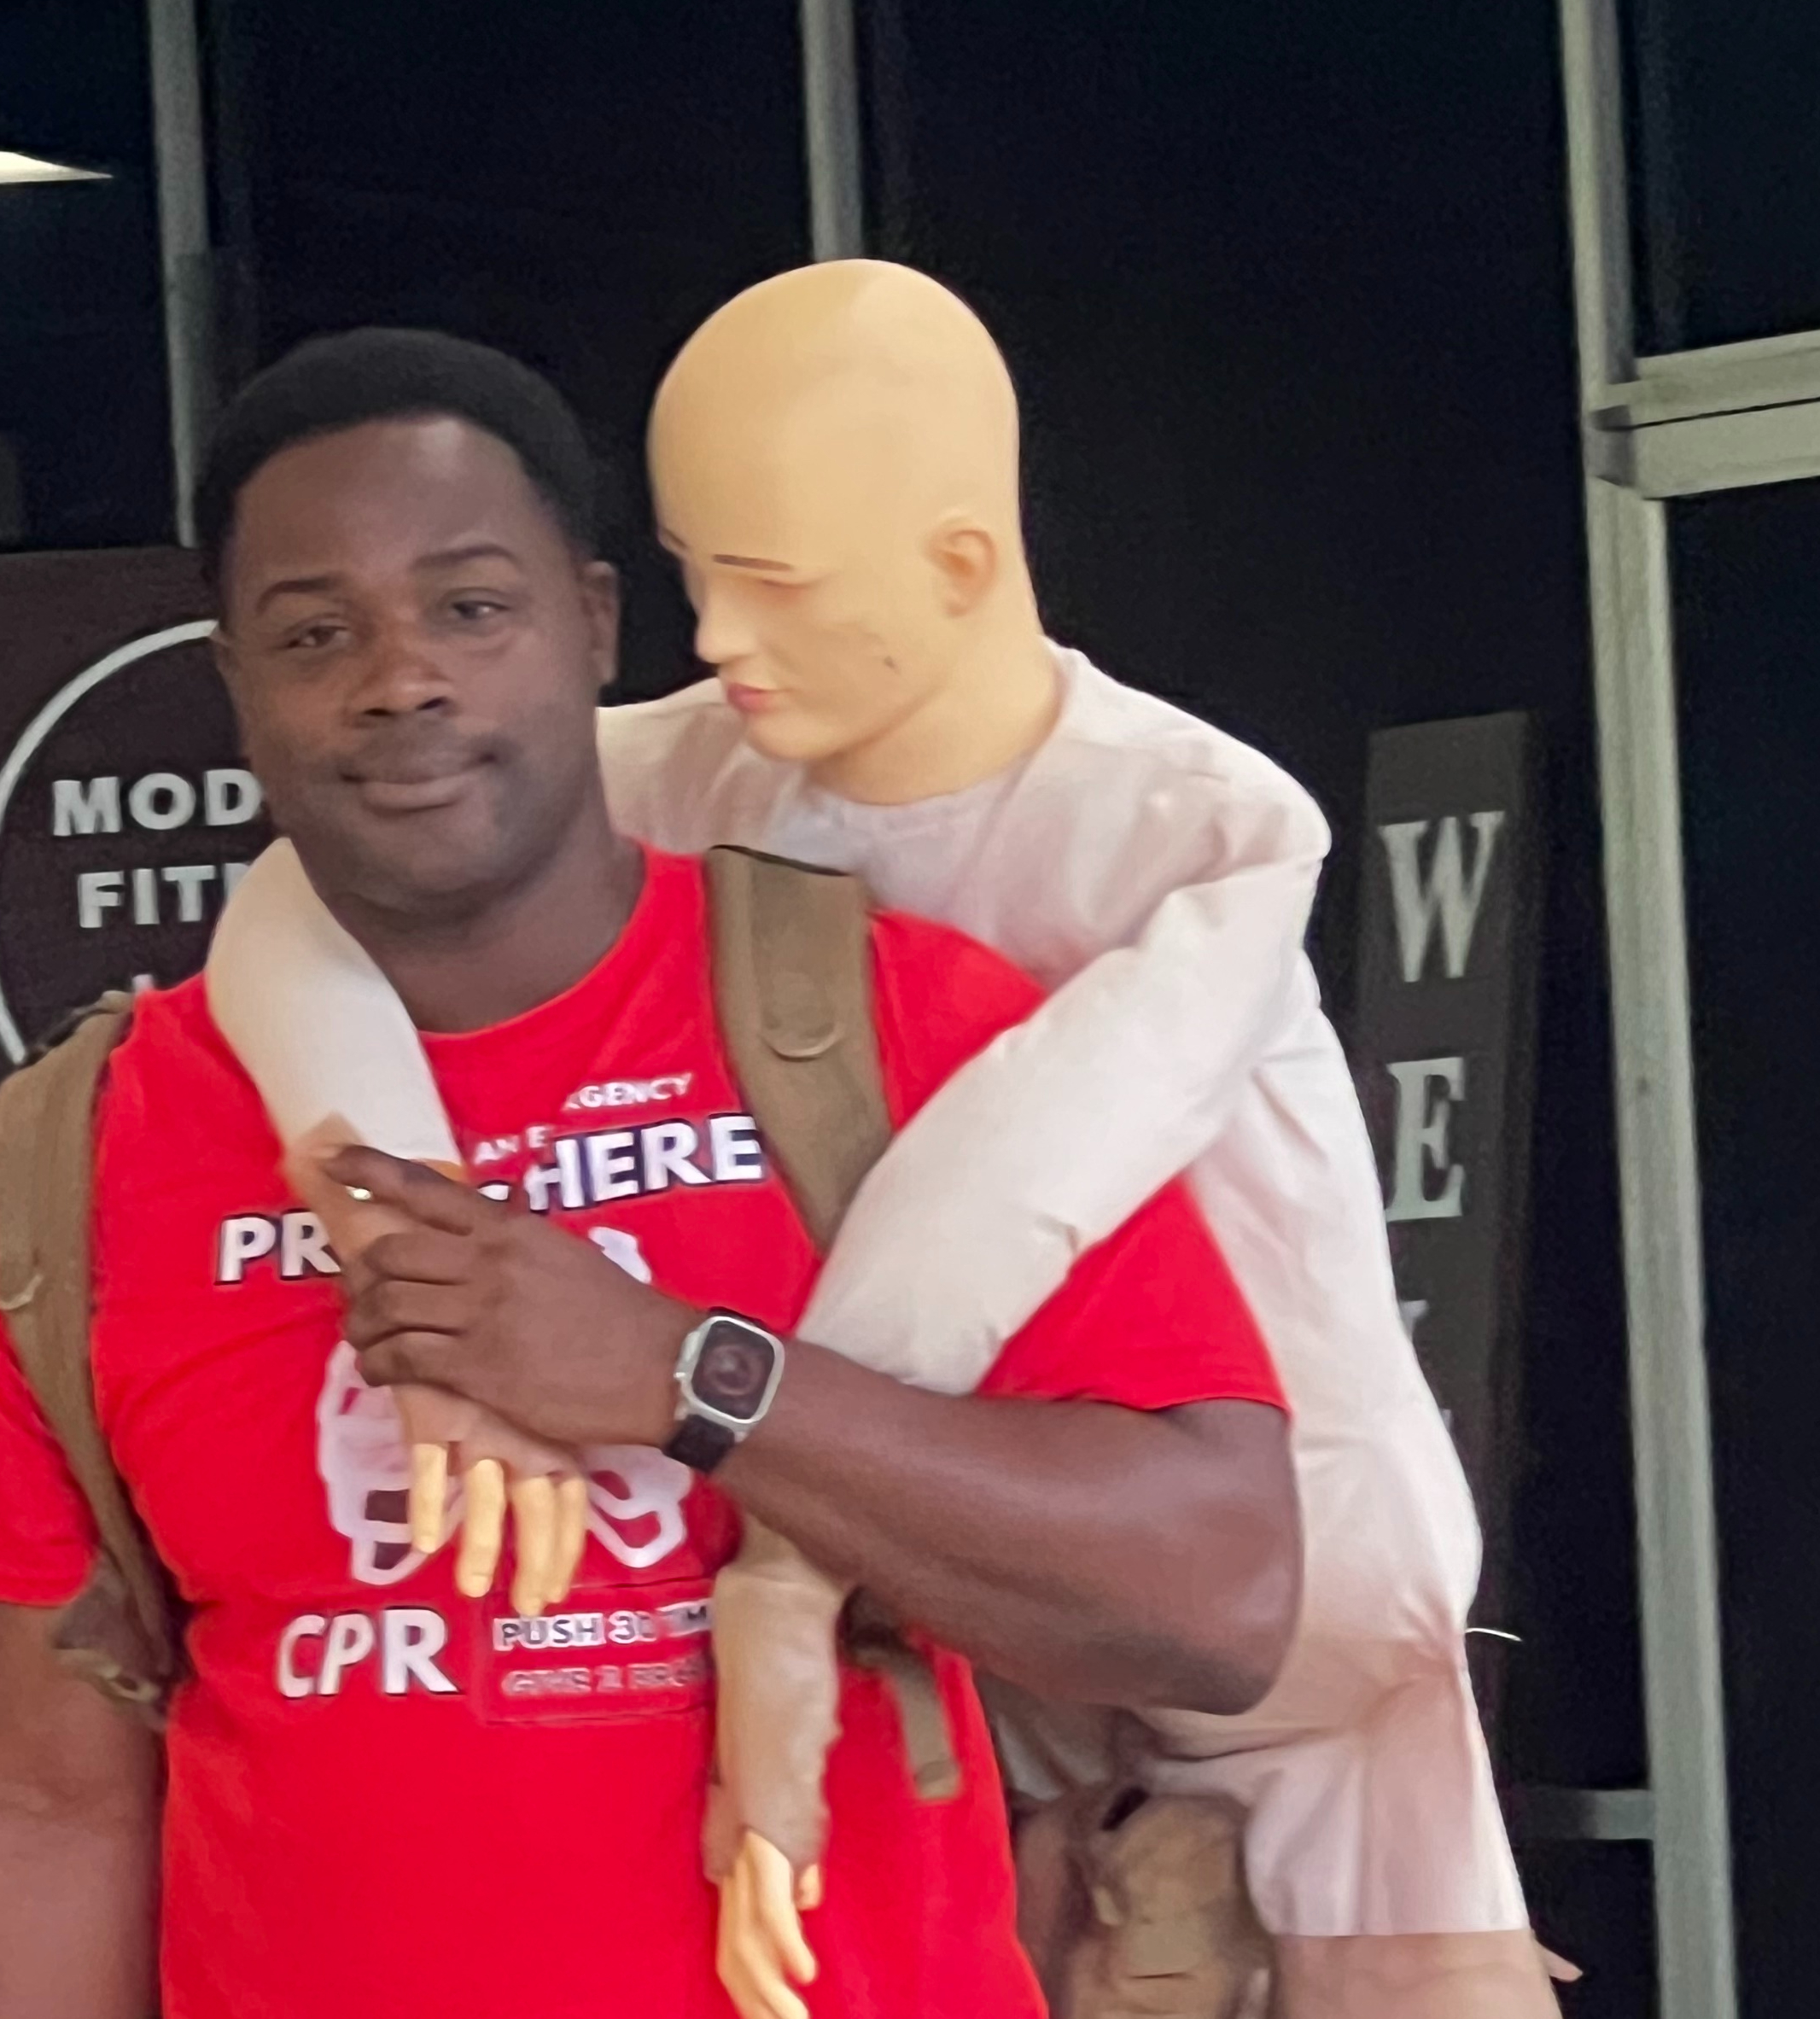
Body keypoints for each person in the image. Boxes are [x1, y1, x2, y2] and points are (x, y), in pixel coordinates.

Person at [207, 265, 1565, 2017]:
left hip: (1239, 1572)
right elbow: (292, 897)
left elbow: (989, 1202)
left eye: (772, 586)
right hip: (927, 1584)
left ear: (959, 564)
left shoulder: (1199, 831)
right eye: (695, 575)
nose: (718, 640)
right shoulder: (706, 765)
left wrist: (777, 1564)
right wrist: (425, 1271)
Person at [0, 330, 1300, 2019]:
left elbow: (1220, 1597)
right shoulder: (89, 1148)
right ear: (235, 682)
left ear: (592, 624)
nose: (400, 680)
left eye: (469, 607)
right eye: (315, 633)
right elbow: (51, 1799)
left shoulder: (892, 1030)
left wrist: (689, 1376)